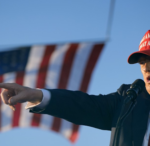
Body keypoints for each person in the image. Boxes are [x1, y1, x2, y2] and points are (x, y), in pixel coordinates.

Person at [1, 30, 150, 146]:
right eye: (142, 62)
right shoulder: (128, 100)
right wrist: (35, 94)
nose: (146, 68)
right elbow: (81, 104)